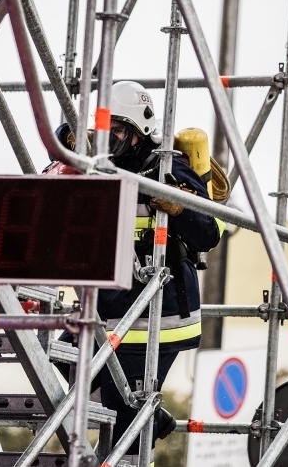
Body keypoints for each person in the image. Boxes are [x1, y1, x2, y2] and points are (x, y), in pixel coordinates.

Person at [52, 81, 221, 465]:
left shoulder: (165, 167)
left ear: (138, 131)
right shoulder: (96, 168)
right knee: (61, 357)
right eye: (102, 130)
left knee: (122, 422)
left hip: (158, 316)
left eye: (118, 131)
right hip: (109, 311)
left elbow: (210, 232)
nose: (108, 140)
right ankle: (151, 415)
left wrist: (180, 209)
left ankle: (136, 428)